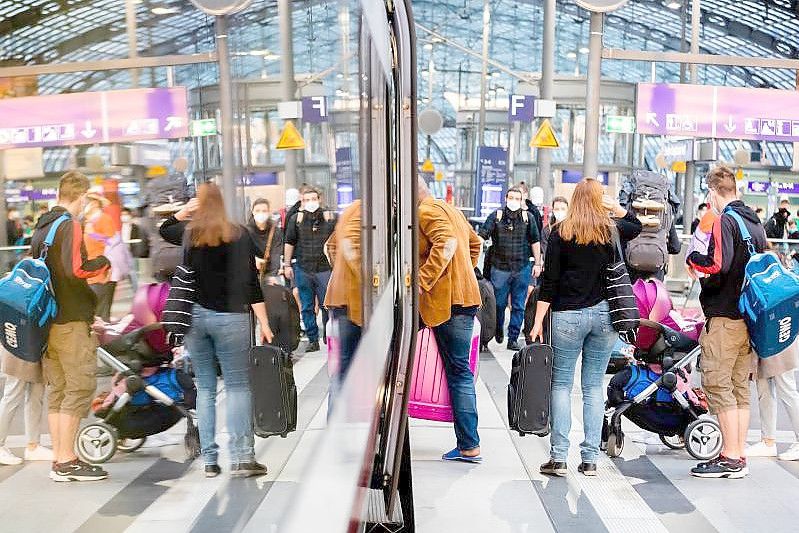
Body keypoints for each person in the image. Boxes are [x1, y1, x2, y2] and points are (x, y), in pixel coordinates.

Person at [160, 183, 273, 478]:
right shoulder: (239, 234)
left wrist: (185, 210)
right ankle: (241, 458)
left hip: (195, 319)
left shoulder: (189, 234)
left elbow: (165, 228)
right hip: (231, 318)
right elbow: (251, 283)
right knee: (237, 387)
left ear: (199, 204)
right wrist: (264, 321)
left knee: (207, 388)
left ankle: (210, 460)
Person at [531, 178, 642, 477]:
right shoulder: (611, 231)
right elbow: (636, 225)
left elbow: (549, 283)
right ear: (598, 201)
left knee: (561, 385)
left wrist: (538, 320)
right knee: (593, 387)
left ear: (574, 200)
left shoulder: (559, 233)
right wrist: (617, 207)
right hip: (606, 317)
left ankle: (558, 458)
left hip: (567, 316)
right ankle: (591, 459)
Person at [686, 165, 767, 479]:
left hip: (724, 317)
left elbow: (718, 264)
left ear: (712, 192)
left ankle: (729, 456)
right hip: (749, 318)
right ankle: (738, 454)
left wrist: (694, 260)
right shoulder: (755, 223)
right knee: (738, 388)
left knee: (718, 384)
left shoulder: (725, 220)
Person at [30, 170, 110, 482]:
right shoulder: (70, 225)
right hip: (71, 321)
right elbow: (76, 268)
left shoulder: (42, 228)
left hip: (47, 322)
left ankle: (60, 459)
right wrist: (102, 262)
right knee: (79, 388)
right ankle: (66, 460)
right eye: (85, 201)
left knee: (59, 391)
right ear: (80, 196)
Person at [418, 178, 483, 463]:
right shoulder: (451, 210)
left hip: (446, 303)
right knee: (461, 372)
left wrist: (422, 281)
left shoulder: (425, 211)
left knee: (457, 373)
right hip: (466, 298)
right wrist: (463, 272)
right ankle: (469, 444)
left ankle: (469, 445)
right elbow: (475, 244)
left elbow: (446, 243)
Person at [478, 187, 541, 350]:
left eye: (517, 198)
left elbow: (535, 241)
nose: (513, 201)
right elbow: (482, 235)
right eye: (511, 197)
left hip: (522, 267)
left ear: (521, 201)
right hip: (500, 267)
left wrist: (538, 263)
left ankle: (512, 338)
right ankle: (498, 329)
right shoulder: (496, 216)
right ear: (506, 198)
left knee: (519, 305)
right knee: (498, 304)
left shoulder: (529, 218)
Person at [283, 187, 336, 353]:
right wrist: (286, 264)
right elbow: (289, 242)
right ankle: (313, 340)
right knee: (306, 306)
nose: (310, 203)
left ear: (319, 199)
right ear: (302, 201)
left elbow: (337, 240)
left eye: (313, 199)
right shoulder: (296, 220)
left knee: (327, 304)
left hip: (324, 268)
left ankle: (329, 336)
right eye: (306, 200)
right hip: (303, 267)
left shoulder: (329, 217)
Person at [324, 199, 362, 406]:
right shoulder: (363, 211)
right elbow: (349, 244)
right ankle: (337, 426)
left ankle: (339, 424)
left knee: (344, 366)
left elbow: (330, 246)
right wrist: (374, 282)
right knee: (345, 367)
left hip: (344, 299)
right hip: (352, 301)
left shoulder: (352, 209)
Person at [746, 340, 799, 462]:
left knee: (786, 389)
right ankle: (767, 441)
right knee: (764, 389)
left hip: (781, 336)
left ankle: (769, 441)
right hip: (764, 339)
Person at [0, 348, 53, 465]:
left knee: (36, 395)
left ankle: (33, 446)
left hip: (36, 346)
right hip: (18, 345)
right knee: (13, 394)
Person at [83, 192, 117, 321]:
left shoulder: (104, 219)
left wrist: (94, 235)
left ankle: (104, 339)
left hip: (102, 272)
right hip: (90, 272)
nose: (86, 203)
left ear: (96, 203)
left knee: (101, 313)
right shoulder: (86, 221)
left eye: (89, 201)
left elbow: (112, 242)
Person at [246, 198, 282, 278]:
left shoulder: (275, 231)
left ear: (269, 212)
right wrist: (254, 259)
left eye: (264, 211)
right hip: (250, 274)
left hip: (270, 273)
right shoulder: (246, 231)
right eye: (257, 211)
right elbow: (242, 253)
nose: (261, 214)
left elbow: (276, 255)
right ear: (252, 212)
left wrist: (272, 276)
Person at [121, 207, 148, 292]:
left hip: (133, 252)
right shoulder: (119, 228)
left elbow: (140, 240)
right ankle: (134, 287)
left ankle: (137, 290)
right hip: (123, 253)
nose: (124, 216)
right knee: (128, 272)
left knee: (133, 271)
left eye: (126, 214)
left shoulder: (136, 227)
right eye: (122, 215)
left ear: (130, 215)